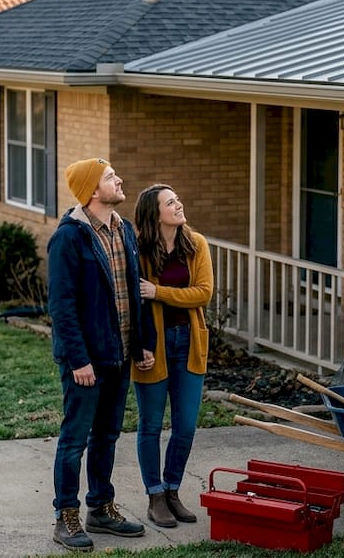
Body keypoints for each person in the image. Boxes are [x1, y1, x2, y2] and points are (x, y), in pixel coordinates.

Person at [47, 157, 156, 553]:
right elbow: (61, 306)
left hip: (120, 354)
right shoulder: (69, 238)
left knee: (107, 435)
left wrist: (144, 342)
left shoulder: (123, 229)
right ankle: (66, 515)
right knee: (75, 440)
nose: (119, 180)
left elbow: (133, 289)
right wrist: (78, 360)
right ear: (93, 190)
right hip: (86, 362)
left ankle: (100, 507)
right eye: (111, 177)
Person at [131, 183, 214, 528]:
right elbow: (134, 302)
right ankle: (155, 495)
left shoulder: (196, 245)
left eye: (178, 199)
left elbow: (203, 293)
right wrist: (138, 348)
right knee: (150, 425)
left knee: (185, 426)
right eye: (170, 202)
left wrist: (158, 292)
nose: (179, 205)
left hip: (189, 344)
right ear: (155, 213)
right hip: (153, 345)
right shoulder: (138, 250)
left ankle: (173, 489)